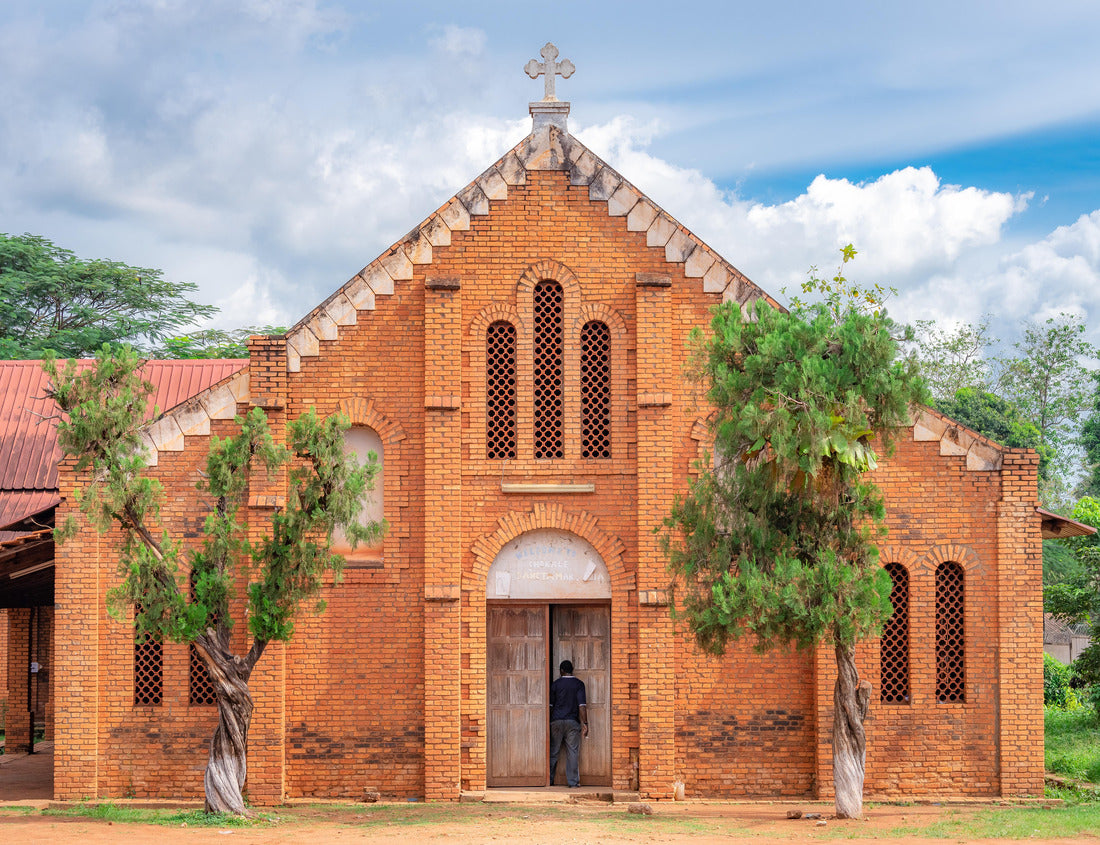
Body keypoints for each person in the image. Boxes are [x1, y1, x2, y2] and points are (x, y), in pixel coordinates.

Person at [548, 659, 588, 788]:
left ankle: (549, 780)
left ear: (561, 671)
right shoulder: (579, 684)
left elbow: (550, 706)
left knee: (553, 751)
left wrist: (548, 722)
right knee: (572, 752)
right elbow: (582, 706)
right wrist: (585, 723)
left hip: (557, 721)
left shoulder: (555, 685)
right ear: (572, 670)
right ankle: (573, 782)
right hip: (572, 722)